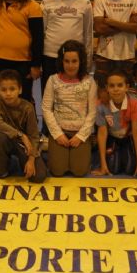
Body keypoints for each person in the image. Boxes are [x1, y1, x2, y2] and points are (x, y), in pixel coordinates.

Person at [40, 0, 93, 147]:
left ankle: (74, 129)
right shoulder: (47, 2)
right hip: (50, 56)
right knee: (50, 96)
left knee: (72, 97)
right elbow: (43, 31)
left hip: (75, 60)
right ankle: (47, 133)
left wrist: (88, 60)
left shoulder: (84, 3)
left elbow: (88, 33)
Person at [41, 40, 97, 177]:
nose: (70, 65)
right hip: (60, 131)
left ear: (81, 61)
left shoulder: (89, 81)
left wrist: (81, 135)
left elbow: (92, 112)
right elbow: (46, 109)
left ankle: (87, 146)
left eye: (74, 61)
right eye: (67, 61)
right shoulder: (53, 80)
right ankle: (54, 146)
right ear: (61, 61)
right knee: (57, 171)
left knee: (79, 171)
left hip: (80, 132)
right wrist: (57, 134)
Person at [0, 69, 47, 183]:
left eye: (12, 89)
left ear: (20, 89)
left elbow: (34, 136)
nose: (8, 93)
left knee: (39, 177)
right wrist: (21, 135)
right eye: (3, 90)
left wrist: (31, 160)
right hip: (8, 140)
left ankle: (38, 150)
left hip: (25, 145)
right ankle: (4, 166)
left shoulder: (28, 107)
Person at [92, 69, 137, 176]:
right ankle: (112, 155)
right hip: (112, 138)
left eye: (120, 85)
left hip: (126, 138)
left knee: (130, 169)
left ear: (127, 87)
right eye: (112, 86)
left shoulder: (134, 103)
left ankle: (127, 154)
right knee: (113, 169)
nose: (116, 89)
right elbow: (102, 134)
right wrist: (103, 165)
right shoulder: (101, 105)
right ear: (106, 88)